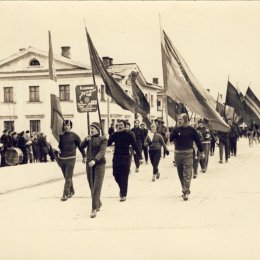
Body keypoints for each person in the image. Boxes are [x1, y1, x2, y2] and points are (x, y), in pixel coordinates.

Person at [170, 114, 204, 201]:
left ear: (185, 120)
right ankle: (184, 188)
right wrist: (169, 133)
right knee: (180, 173)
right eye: (178, 120)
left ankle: (185, 191)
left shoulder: (192, 130)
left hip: (188, 153)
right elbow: (170, 139)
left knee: (187, 173)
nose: (179, 121)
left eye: (180, 119)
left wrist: (201, 151)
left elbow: (197, 141)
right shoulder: (176, 129)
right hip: (178, 154)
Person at [108, 119, 141, 202]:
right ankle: (121, 188)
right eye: (118, 124)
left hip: (125, 157)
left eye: (121, 124)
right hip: (116, 157)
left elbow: (134, 145)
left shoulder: (129, 134)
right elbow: (108, 143)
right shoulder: (115, 135)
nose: (119, 126)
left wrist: (140, 156)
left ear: (125, 126)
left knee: (124, 176)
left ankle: (123, 194)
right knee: (115, 175)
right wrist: (104, 138)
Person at [81, 122, 107, 218]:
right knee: (91, 185)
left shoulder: (103, 138)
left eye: (93, 128)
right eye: (90, 127)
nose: (91, 129)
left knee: (97, 186)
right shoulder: (89, 138)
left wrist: (95, 160)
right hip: (89, 164)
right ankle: (98, 202)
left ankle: (94, 208)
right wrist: (85, 140)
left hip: (99, 164)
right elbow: (81, 146)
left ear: (98, 129)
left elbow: (102, 151)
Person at [58, 120, 86, 201]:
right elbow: (58, 147)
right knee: (66, 177)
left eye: (68, 125)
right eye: (65, 125)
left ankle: (65, 194)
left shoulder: (75, 136)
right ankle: (71, 191)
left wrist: (84, 156)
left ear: (71, 126)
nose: (66, 127)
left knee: (68, 177)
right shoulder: (60, 136)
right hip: (62, 159)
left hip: (71, 159)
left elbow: (81, 147)